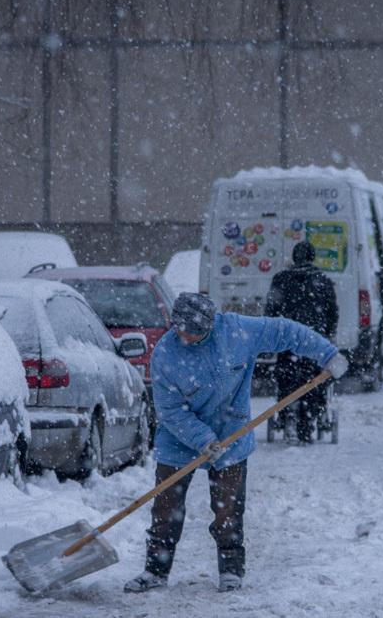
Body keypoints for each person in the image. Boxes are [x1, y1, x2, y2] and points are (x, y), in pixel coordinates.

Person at [125, 293, 348, 594]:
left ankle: (230, 570)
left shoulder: (237, 331)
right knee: (166, 508)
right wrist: (202, 439)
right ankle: (155, 570)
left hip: (231, 431)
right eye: (180, 329)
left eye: (193, 331)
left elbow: (287, 331)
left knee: (228, 509)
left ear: (209, 325)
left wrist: (327, 354)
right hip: (179, 439)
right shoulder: (166, 354)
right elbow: (170, 411)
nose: (185, 336)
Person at [264, 242, 339, 444]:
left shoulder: (280, 280)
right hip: (314, 342)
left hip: (287, 341)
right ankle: (310, 417)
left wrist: (271, 335)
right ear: (313, 257)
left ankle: (287, 411)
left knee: (287, 378)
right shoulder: (323, 282)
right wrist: (328, 334)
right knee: (313, 380)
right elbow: (332, 312)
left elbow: (271, 310)